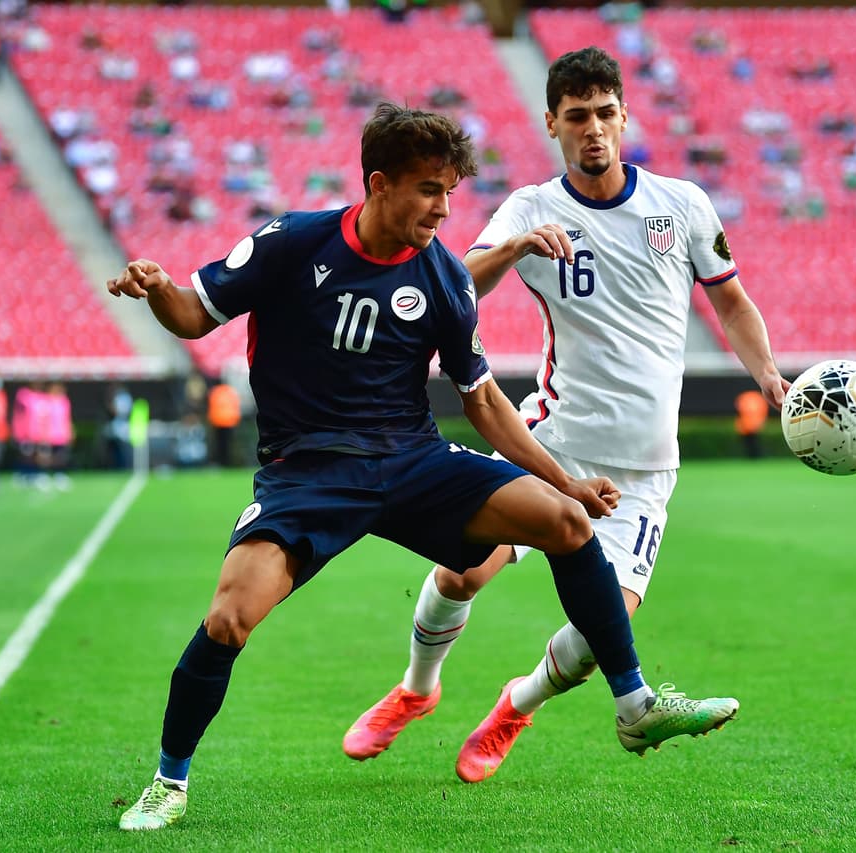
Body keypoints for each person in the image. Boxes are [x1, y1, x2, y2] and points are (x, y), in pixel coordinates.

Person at [105, 103, 736, 832]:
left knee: (564, 523)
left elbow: (487, 403)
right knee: (227, 620)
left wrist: (567, 482)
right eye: (430, 190)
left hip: (412, 462)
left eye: (450, 192)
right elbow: (193, 314)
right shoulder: (291, 241)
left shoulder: (444, 278)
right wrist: (157, 289)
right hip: (308, 473)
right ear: (380, 184)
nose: (444, 208)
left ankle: (633, 705)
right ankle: (168, 782)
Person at [344, 47, 788, 784]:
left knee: (596, 633)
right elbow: (456, 288)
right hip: (550, 443)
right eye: (576, 116)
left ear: (625, 117)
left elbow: (731, 300)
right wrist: (514, 245)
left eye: (606, 114)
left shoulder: (681, 205)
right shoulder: (531, 207)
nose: (594, 130)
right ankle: (416, 691)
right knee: (461, 571)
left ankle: (514, 705)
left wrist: (768, 372)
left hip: (644, 469)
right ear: (552, 122)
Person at [206, 379, 240, 467]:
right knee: (228, 444)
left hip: (218, 422)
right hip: (230, 422)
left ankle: (221, 462)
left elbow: (210, 406)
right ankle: (228, 462)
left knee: (219, 444)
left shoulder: (214, 391)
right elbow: (236, 405)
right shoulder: (230, 391)